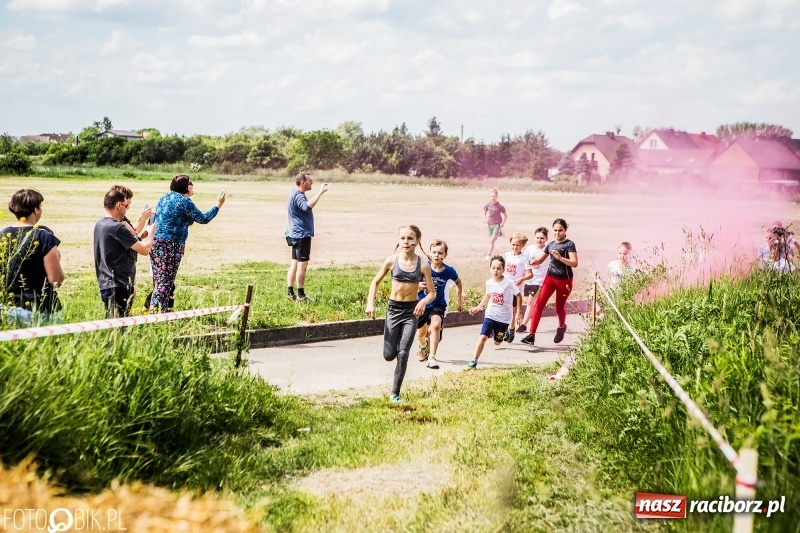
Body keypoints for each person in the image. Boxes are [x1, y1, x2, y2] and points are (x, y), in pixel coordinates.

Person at [366, 225, 436, 403]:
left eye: (410, 238)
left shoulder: (423, 265)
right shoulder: (391, 261)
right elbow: (375, 282)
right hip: (393, 309)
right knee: (389, 355)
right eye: (403, 238)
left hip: (411, 311)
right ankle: (399, 344)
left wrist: (422, 302)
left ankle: (394, 394)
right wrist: (370, 303)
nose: (406, 241)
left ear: (417, 241)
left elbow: (432, 293)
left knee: (403, 353)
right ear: (398, 240)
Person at [149, 175, 225, 312]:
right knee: (166, 282)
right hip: (171, 245)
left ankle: (160, 311)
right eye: (190, 183)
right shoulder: (185, 202)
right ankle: (154, 313)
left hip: (155, 242)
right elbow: (203, 218)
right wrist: (218, 204)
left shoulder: (163, 198)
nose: (193, 185)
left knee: (159, 280)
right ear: (185, 186)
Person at [1, 189, 65, 324]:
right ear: (35, 209)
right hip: (38, 309)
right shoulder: (44, 237)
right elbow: (56, 281)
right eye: (40, 206)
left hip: (7, 308)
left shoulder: (2, 235)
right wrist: (57, 260)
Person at [94, 188, 156, 317]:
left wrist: (140, 237)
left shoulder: (100, 224)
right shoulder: (118, 227)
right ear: (118, 205)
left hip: (106, 283)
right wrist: (151, 233)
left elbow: (119, 247)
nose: (127, 209)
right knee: (120, 324)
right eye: (126, 206)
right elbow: (145, 250)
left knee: (113, 321)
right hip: (119, 284)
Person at [521, 218, 578, 346]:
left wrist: (560, 258)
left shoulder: (569, 244)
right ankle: (531, 335)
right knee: (539, 304)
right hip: (550, 278)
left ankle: (562, 327)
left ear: (565, 230)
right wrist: (534, 261)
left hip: (565, 280)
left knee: (558, 308)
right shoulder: (551, 244)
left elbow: (574, 263)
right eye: (555, 230)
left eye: (560, 230)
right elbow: (541, 259)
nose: (557, 233)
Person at [415, 239, 463, 369]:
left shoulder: (449, 271)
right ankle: (423, 347)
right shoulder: (423, 267)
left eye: (440, 253)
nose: (436, 255)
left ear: (445, 255)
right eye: (434, 252)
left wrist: (459, 300)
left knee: (435, 326)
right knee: (421, 335)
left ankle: (432, 358)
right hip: (422, 305)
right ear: (430, 254)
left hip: (438, 304)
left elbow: (458, 282)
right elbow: (411, 282)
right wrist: (417, 285)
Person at [466, 254, 520, 369]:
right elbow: (488, 295)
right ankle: (474, 361)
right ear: (490, 269)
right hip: (491, 315)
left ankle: (503, 332)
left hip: (504, 318)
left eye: (499, 268)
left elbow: (518, 295)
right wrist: (478, 308)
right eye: (493, 268)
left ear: (503, 270)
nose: (496, 270)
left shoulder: (508, 283)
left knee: (497, 343)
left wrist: (519, 312)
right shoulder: (489, 283)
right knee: (482, 337)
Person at [286, 172, 329, 301]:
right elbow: (306, 207)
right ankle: (300, 295)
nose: (312, 183)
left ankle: (290, 293)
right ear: (303, 182)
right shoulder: (299, 196)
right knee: (302, 265)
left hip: (295, 233)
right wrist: (320, 193)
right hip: (302, 235)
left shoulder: (293, 194)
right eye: (310, 181)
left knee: (294, 263)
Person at [518, 226, 549, 333]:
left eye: (542, 238)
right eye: (537, 237)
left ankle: (524, 325)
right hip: (529, 280)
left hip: (539, 281)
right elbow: (523, 261)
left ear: (546, 239)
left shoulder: (547, 250)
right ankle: (533, 316)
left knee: (530, 302)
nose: (539, 240)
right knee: (528, 301)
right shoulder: (530, 248)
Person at [502, 232, 532, 342]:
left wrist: (522, 278)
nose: (515, 247)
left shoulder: (524, 258)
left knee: (512, 310)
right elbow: (503, 269)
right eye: (513, 244)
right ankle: (505, 329)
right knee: (504, 309)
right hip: (505, 287)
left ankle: (511, 330)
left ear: (523, 246)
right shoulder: (507, 255)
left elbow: (530, 274)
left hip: (516, 289)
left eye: (518, 245)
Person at [483, 187, 507, 261]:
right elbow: (484, 210)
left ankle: (488, 255)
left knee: (492, 241)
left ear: (497, 196)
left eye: (494, 196)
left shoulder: (500, 206)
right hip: (490, 224)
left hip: (497, 224)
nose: (492, 198)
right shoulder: (488, 205)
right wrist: (485, 218)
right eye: (491, 196)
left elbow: (505, 215)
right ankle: (500, 232)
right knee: (491, 240)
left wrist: (503, 223)